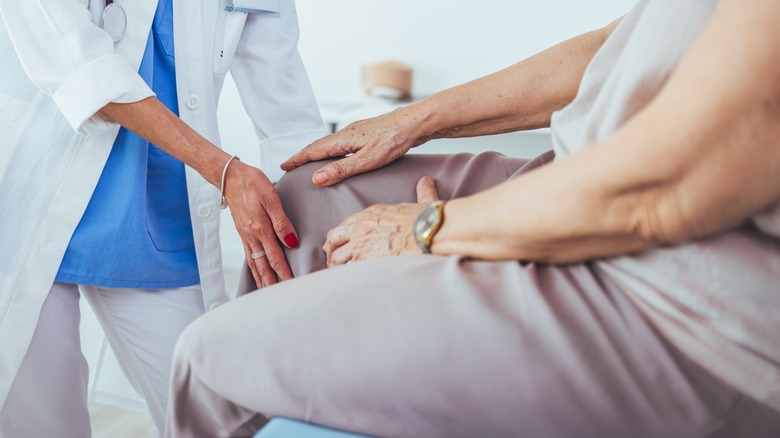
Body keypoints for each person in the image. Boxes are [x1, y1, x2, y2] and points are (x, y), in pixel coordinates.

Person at [167, 0, 780, 436]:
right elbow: (617, 49)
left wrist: (429, 231)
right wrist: (414, 119)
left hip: (671, 304)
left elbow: (651, 194)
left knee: (206, 360)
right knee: (304, 197)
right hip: (574, 174)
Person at [0, 0, 326, 436]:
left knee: (217, 411)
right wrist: (225, 171)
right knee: (40, 422)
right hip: (33, 185)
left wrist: (325, 234)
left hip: (155, 208)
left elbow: (289, 118)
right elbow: (80, 67)